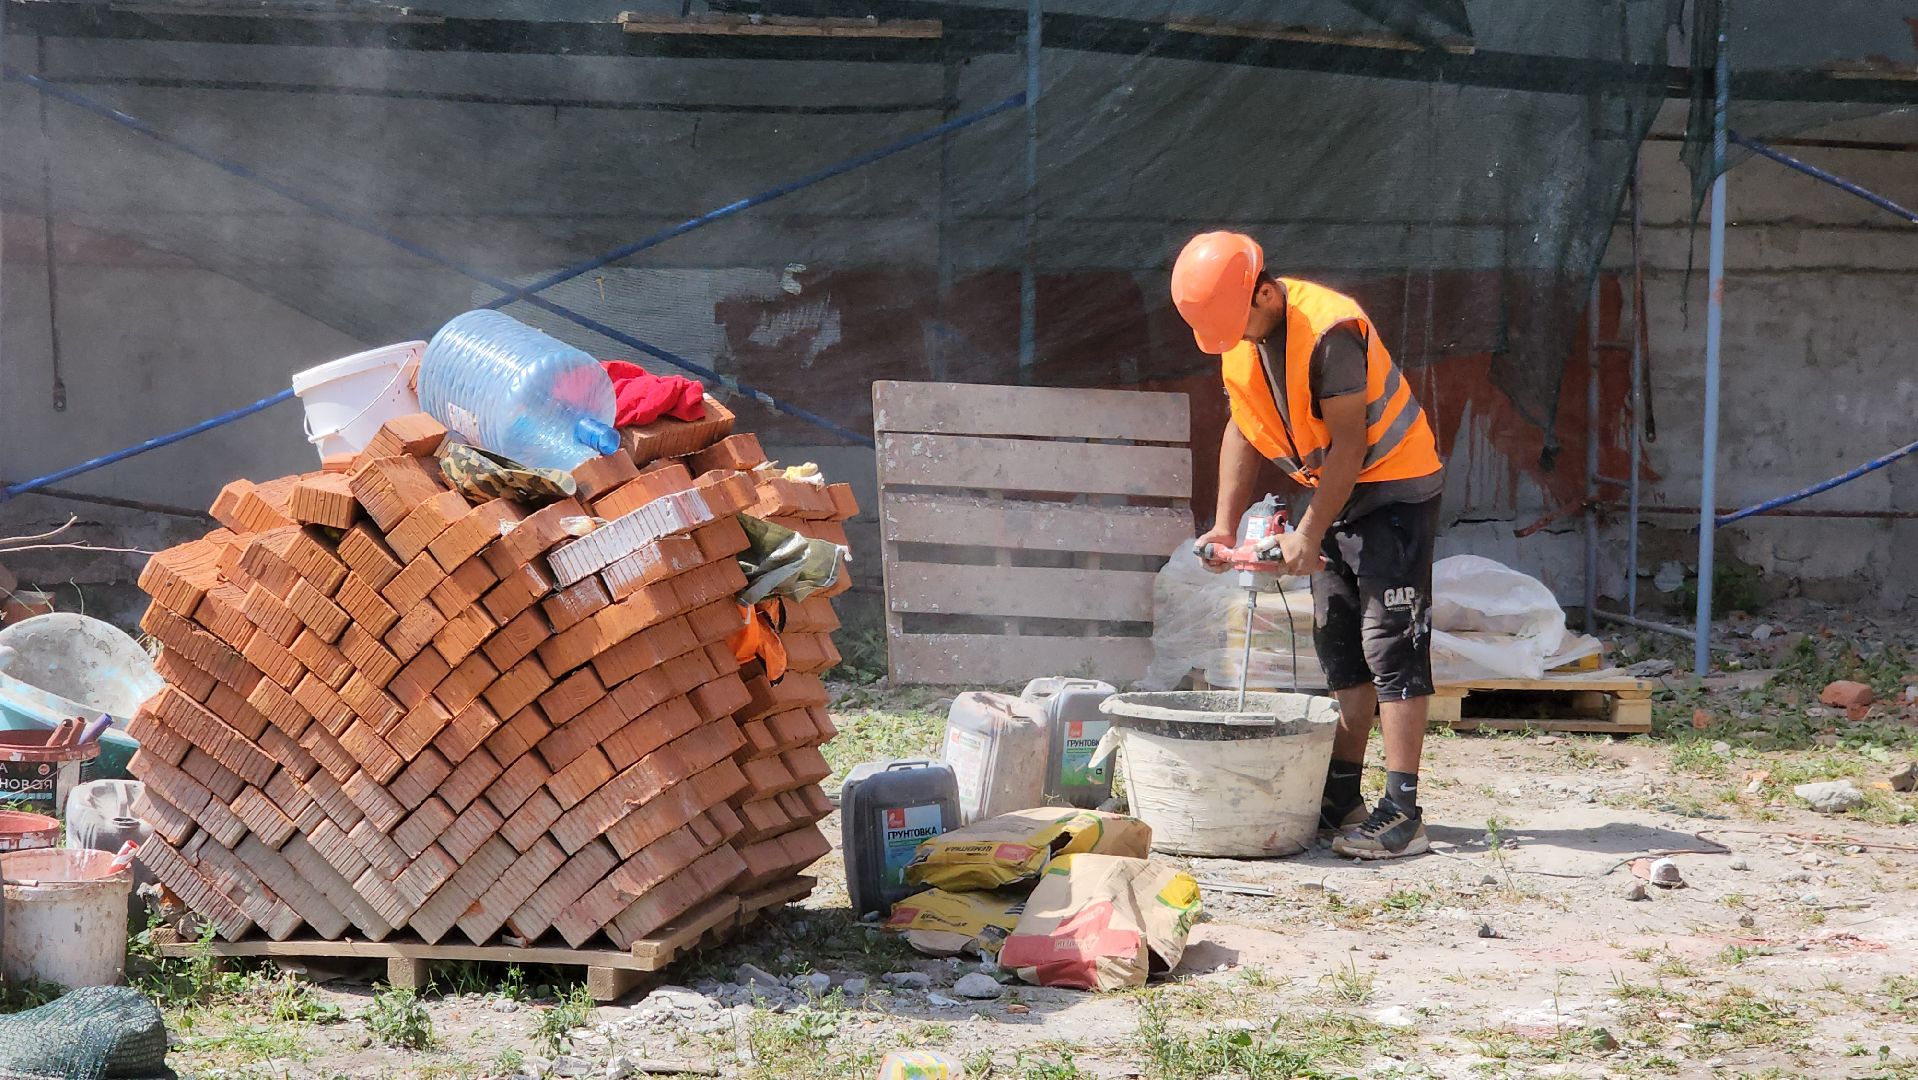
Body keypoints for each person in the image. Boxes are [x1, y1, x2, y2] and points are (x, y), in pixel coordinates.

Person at [1171, 231, 1446, 860]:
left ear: (1264, 292)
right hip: (1335, 489)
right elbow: (1244, 428)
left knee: (1393, 644)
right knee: (1340, 647)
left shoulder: (1331, 331)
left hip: (1394, 488)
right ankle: (1341, 797)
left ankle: (1404, 811)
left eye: (1235, 323)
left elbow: (1350, 444)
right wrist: (1222, 524)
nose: (1232, 337)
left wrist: (1307, 533)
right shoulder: (1240, 337)